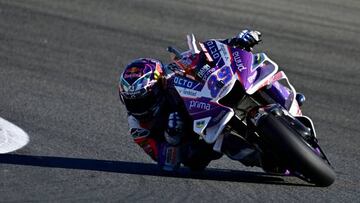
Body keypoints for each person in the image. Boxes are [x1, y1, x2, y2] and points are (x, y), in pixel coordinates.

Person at [118, 30, 262, 171]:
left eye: (144, 99)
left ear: (159, 85)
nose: (139, 106)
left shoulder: (171, 75)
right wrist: (172, 136)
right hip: (196, 141)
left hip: (208, 102)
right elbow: (165, 163)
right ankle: (262, 159)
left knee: (253, 70)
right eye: (133, 102)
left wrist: (236, 42)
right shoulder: (138, 126)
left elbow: (206, 52)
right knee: (219, 143)